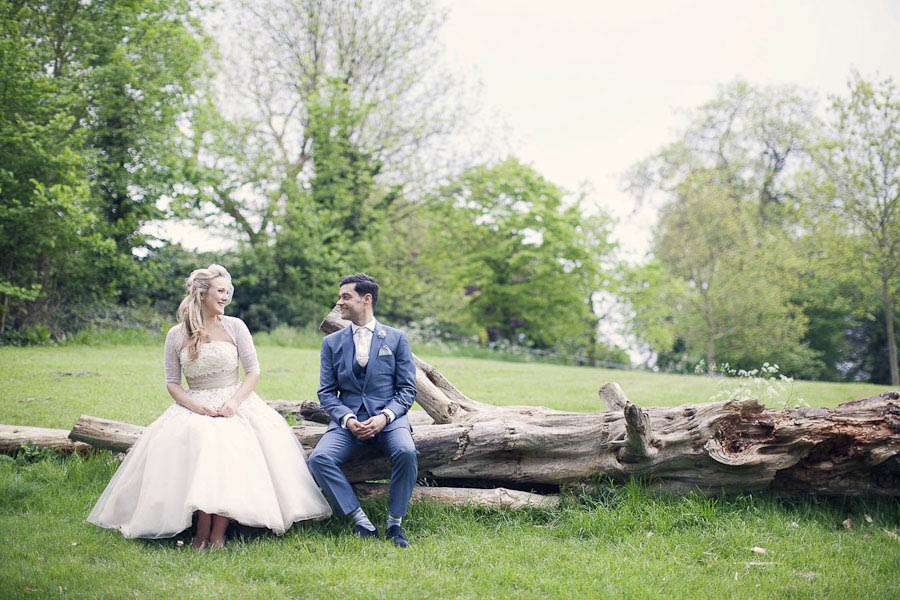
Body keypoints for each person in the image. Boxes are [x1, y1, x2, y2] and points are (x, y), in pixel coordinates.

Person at [87, 264, 331, 548]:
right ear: (202, 294)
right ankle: (201, 531)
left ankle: (218, 534)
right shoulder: (176, 334)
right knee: (201, 442)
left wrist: (234, 402)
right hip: (196, 403)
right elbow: (172, 383)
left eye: (228, 291)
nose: (226, 296)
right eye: (220, 291)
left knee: (229, 445)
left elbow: (253, 372)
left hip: (234, 401)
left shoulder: (235, 326)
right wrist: (195, 406)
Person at [308, 274, 418, 547]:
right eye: (340, 297)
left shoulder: (396, 339)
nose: (339, 302)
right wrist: (347, 418)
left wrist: (384, 417)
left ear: (366, 299)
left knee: (406, 452)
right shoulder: (332, 343)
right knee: (319, 459)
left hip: (389, 420)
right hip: (349, 422)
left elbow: (407, 389)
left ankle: (394, 524)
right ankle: (361, 520)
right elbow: (326, 392)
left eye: (346, 296)